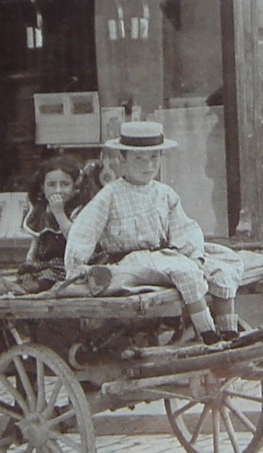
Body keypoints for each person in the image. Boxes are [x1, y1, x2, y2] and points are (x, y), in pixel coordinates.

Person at [65, 120, 244, 343]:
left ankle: (229, 332)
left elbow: (183, 227)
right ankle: (208, 335)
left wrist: (194, 255)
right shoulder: (110, 195)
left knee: (223, 264)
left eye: (154, 158)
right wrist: (77, 265)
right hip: (131, 260)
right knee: (186, 272)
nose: (147, 165)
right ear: (122, 159)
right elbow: (85, 230)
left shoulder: (164, 193)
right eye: (139, 158)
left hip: (163, 255)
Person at [0, 156, 100, 298]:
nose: (58, 190)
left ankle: (11, 289)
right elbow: (36, 240)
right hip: (44, 264)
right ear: (42, 187)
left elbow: (76, 242)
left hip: (69, 264)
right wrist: (29, 260)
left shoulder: (80, 210)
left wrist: (59, 213)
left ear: (75, 188)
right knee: (30, 275)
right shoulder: (40, 211)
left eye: (65, 184)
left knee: (49, 278)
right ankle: (0, 285)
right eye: (51, 185)